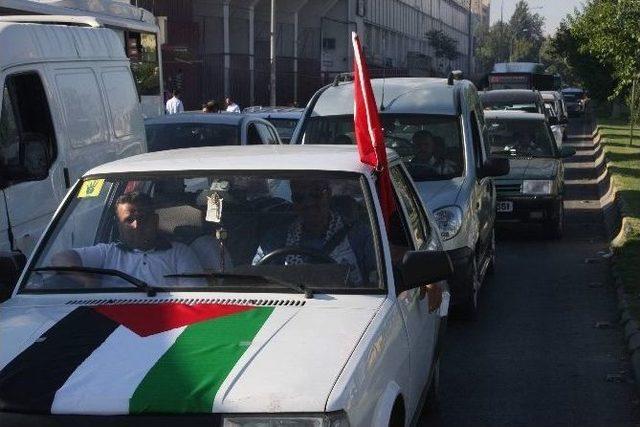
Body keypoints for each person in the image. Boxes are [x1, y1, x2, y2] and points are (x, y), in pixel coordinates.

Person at [51, 192, 203, 286]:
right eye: (129, 220)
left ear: (155, 221)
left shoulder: (179, 253)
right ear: (119, 225)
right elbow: (60, 258)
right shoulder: (108, 252)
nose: (136, 225)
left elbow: (194, 297)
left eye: (142, 218)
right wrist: (85, 279)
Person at [253, 179, 366, 285]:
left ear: (328, 194)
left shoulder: (358, 234)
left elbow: (376, 277)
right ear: (293, 201)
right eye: (299, 198)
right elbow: (258, 276)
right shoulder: (276, 238)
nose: (308, 203)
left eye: (315, 195)